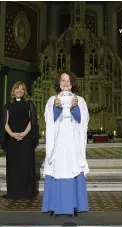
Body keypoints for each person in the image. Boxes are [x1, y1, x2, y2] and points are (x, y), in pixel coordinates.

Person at [42, 71, 89, 217]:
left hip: (73, 141)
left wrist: (74, 108)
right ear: (58, 82)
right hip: (58, 141)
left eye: (68, 80)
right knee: (57, 168)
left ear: (73, 83)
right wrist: (56, 108)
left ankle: (74, 204)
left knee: (72, 167)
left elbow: (83, 121)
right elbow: (48, 119)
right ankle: (54, 205)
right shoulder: (52, 99)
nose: (66, 83)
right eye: (63, 80)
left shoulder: (80, 100)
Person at [1, 81, 39, 200]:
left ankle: (26, 192)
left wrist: (24, 133)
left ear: (24, 92)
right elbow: (4, 123)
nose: (19, 91)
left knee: (25, 165)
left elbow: (32, 121)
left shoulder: (29, 104)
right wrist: (12, 134)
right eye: (17, 89)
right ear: (13, 90)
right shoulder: (7, 105)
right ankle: (13, 192)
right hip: (12, 140)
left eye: (22, 89)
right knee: (14, 166)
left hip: (26, 139)